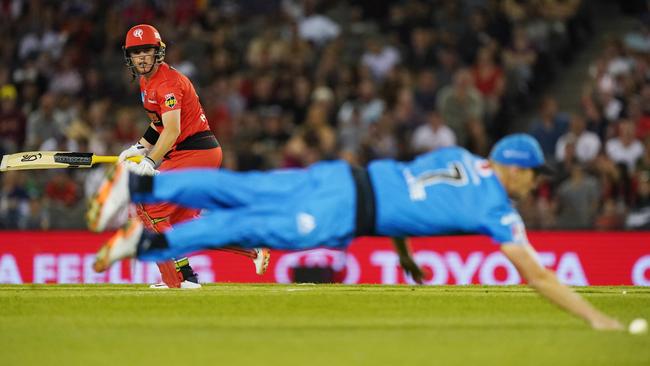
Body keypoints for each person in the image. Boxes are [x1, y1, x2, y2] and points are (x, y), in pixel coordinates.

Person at [91, 133, 623, 330]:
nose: (535, 186)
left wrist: (405, 253)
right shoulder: (497, 207)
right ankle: (145, 240)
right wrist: (596, 319)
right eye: (535, 176)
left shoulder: (460, 157)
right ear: (520, 170)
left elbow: (413, 190)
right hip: (345, 213)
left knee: (243, 190)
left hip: (342, 177)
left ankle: (141, 192)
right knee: (252, 225)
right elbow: (538, 276)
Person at [87, 24, 269, 289]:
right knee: (183, 224)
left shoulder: (168, 83)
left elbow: (173, 130)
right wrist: (137, 148)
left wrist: (149, 162)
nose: (141, 58)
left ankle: (180, 279)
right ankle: (251, 249)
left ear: (158, 52)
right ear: (129, 56)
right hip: (194, 153)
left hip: (194, 152)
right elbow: (160, 123)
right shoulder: (146, 82)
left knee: (147, 208)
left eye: (146, 51)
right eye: (136, 52)